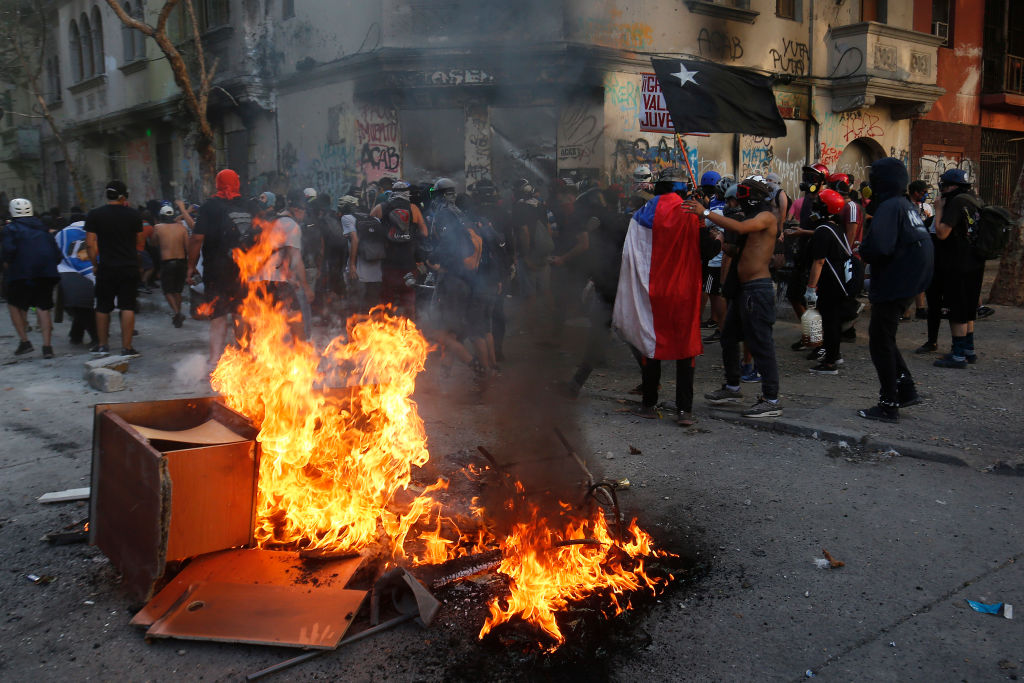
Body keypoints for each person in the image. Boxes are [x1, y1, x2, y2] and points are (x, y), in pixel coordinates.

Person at [613, 168, 706, 426]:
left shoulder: (642, 213)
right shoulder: (691, 211)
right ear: (682, 187)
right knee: (685, 348)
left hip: (651, 292)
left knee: (650, 343)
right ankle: (684, 411)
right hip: (684, 291)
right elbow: (706, 249)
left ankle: (648, 404)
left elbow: (630, 253)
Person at [692, 177, 783, 418]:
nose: (736, 203)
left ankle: (771, 400)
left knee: (761, 343)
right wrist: (721, 242)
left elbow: (741, 229)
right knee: (729, 337)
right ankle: (732, 387)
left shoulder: (766, 217)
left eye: (740, 197)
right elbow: (741, 250)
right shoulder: (752, 218)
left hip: (757, 290)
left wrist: (706, 212)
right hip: (744, 289)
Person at [856, 157, 932, 422]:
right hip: (911, 280)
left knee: (879, 341)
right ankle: (906, 389)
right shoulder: (905, 205)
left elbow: (880, 246)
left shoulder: (889, 207)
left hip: (896, 280)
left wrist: (864, 250)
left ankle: (889, 404)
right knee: (884, 337)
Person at [187, 169, 254, 365]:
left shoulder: (209, 206)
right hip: (244, 268)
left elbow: (197, 238)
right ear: (237, 183)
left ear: (218, 184)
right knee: (241, 313)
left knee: (218, 314)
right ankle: (245, 355)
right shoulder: (248, 205)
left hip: (216, 270)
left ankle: (214, 359)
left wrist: (190, 266)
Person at [85, 180, 145, 357]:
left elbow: (90, 244)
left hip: (106, 267)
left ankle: (102, 346)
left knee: (103, 307)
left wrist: (95, 265)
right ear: (124, 196)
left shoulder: (95, 215)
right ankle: (127, 348)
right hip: (128, 266)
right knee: (127, 306)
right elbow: (140, 242)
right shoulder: (133, 215)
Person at [931, 169, 983, 369]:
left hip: (958, 264)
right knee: (969, 307)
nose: (942, 189)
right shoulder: (974, 200)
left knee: (957, 309)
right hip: (976, 261)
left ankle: (958, 355)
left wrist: (938, 210)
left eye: (944, 185)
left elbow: (942, 233)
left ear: (952, 186)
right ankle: (969, 350)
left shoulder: (956, 202)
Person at [3, 198, 62, 358]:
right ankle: (47, 347)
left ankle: (25, 342)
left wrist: (8, 266)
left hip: (21, 273)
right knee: (43, 308)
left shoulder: (10, 229)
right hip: (46, 274)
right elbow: (56, 254)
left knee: (14, 304)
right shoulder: (43, 228)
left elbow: (8, 251)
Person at [803, 189, 851, 375]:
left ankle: (830, 363)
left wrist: (811, 287)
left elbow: (819, 261)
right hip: (839, 282)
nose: (815, 206)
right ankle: (835, 355)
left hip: (829, 283)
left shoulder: (823, 230)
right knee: (833, 321)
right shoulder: (836, 228)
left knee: (829, 322)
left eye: (819, 203)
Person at [255, 189, 312, 342]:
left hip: (259, 279)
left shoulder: (274, 219)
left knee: (266, 321)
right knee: (295, 317)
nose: (305, 215)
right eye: (304, 210)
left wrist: (289, 276)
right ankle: (302, 351)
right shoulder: (291, 225)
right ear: (298, 209)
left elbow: (277, 254)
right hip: (275, 281)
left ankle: (262, 352)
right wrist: (306, 287)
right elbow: (297, 260)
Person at [785, 163, 829, 351]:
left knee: (813, 302)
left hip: (818, 257)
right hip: (802, 253)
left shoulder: (825, 201)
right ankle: (809, 335)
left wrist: (802, 232)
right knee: (794, 296)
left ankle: (819, 342)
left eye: (812, 177)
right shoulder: (805, 201)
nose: (808, 181)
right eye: (807, 177)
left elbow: (828, 232)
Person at [371, 179, 428, 319]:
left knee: (386, 298)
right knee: (408, 298)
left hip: (388, 262)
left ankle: (385, 326)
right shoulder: (414, 209)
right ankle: (408, 326)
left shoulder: (381, 207)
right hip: (409, 262)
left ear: (393, 192)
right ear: (407, 194)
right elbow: (425, 233)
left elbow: (369, 227)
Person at [55, 212, 97, 346]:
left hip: (69, 273)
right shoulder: (95, 232)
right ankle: (77, 335)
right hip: (94, 271)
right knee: (88, 306)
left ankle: (95, 337)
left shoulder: (61, 234)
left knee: (79, 307)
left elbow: (56, 253)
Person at [151, 203, 190, 327]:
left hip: (167, 262)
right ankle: (177, 315)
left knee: (168, 290)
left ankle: (177, 313)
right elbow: (188, 247)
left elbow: (153, 243)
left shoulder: (158, 227)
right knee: (178, 290)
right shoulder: (181, 228)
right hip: (181, 262)